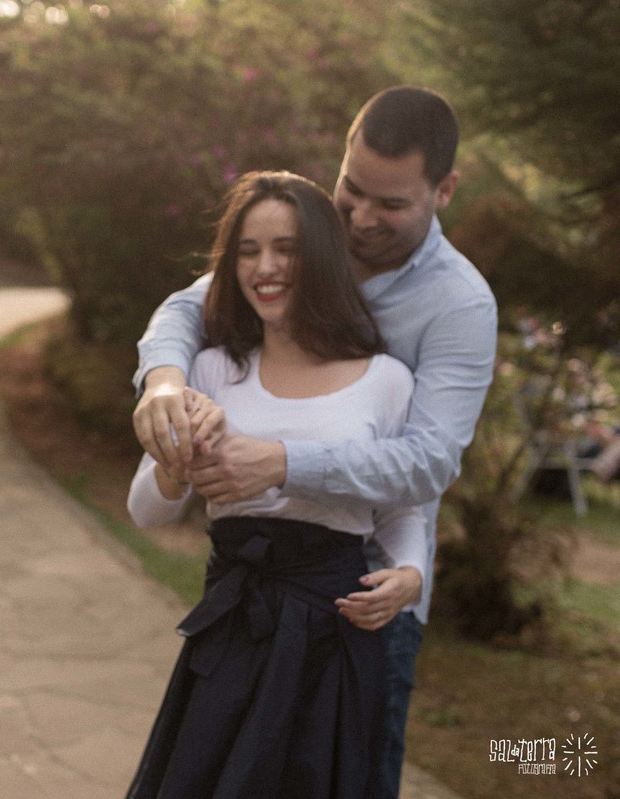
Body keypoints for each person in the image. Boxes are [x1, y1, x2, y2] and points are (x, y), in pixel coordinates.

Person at [131, 86, 499, 797]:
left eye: (390, 204)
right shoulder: (299, 241)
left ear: (445, 190)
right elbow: (187, 308)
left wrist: (282, 464)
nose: (360, 217)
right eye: (351, 188)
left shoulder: (459, 306)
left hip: (368, 598)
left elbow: (426, 464)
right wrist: (165, 384)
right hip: (243, 606)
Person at [126, 171, 427, 798]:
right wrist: (179, 462)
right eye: (248, 251)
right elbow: (146, 511)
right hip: (233, 629)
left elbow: (401, 512)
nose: (265, 268)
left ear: (322, 256)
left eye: (286, 248)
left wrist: (410, 576)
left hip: (333, 636)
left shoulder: (386, 380)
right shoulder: (210, 369)